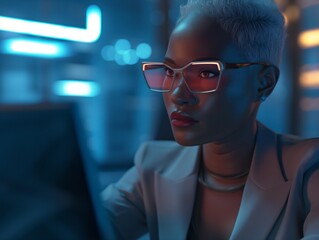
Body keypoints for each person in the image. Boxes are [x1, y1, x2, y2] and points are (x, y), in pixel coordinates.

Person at [102, 0, 319, 239]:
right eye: (170, 73)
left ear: (263, 82)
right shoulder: (153, 166)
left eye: (205, 73)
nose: (177, 95)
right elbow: (80, 224)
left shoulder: (309, 170)